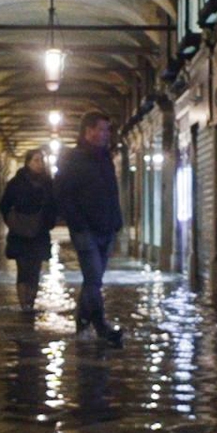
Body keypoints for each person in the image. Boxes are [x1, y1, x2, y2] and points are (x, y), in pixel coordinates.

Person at [52, 111, 124, 346]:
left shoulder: (106, 158)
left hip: (106, 228)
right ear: (88, 131)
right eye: (101, 129)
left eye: (107, 130)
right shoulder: (73, 158)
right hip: (85, 231)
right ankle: (101, 326)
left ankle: (82, 321)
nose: (106, 134)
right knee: (93, 278)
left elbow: (112, 192)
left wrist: (116, 221)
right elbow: (62, 194)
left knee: (93, 279)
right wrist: (78, 222)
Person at [0, 149, 57, 314]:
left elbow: (54, 205)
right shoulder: (16, 183)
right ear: (28, 162)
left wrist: (49, 221)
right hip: (20, 233)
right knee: (23, 269)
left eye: (41, 160)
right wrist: (12, 221)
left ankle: (31, 301)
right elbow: (4, 204)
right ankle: (24, 304)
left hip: (40, 232)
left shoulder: (48, 183)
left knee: (35, 269)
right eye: (36, 160)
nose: (40, 164)